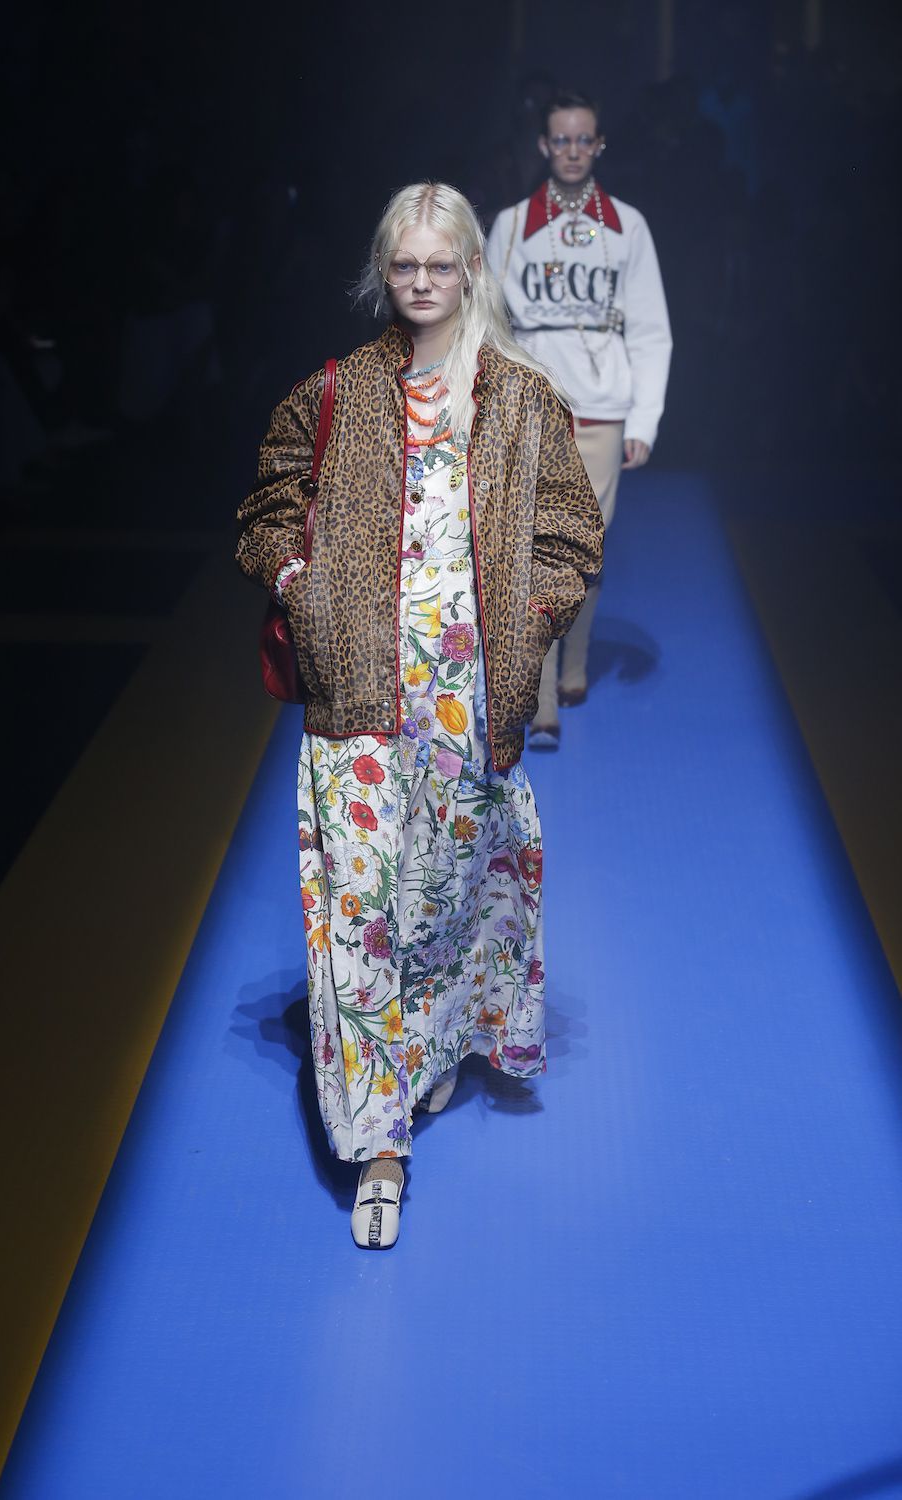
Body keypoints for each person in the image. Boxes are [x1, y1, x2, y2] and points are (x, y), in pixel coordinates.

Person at [235, 183, 602, 1249]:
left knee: (442, 888)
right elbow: (266, 508)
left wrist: (531, 621)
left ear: (471, 270)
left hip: (467, 694)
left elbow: (570, 535)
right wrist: (300, 584)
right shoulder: (337, 392)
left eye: (442, 265)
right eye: (406, 266)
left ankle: (434, 1041)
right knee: (358, 904)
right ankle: (378, 1147)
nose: (423, 282)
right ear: (382, 272)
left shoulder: (520, 400)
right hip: (354, 689)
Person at [487, 89, 671, 747]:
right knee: (538, 545)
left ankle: (576, 662)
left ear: (598, 145)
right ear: (544, 145)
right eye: (560, 139)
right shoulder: (512, 225)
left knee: (585, 547)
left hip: (603, 409)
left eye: (582, 139)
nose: (571, 150)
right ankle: (541, 695)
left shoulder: (628, 227)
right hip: (533, 406)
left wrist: (644, 419)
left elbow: (649, 329)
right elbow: (488, 324)